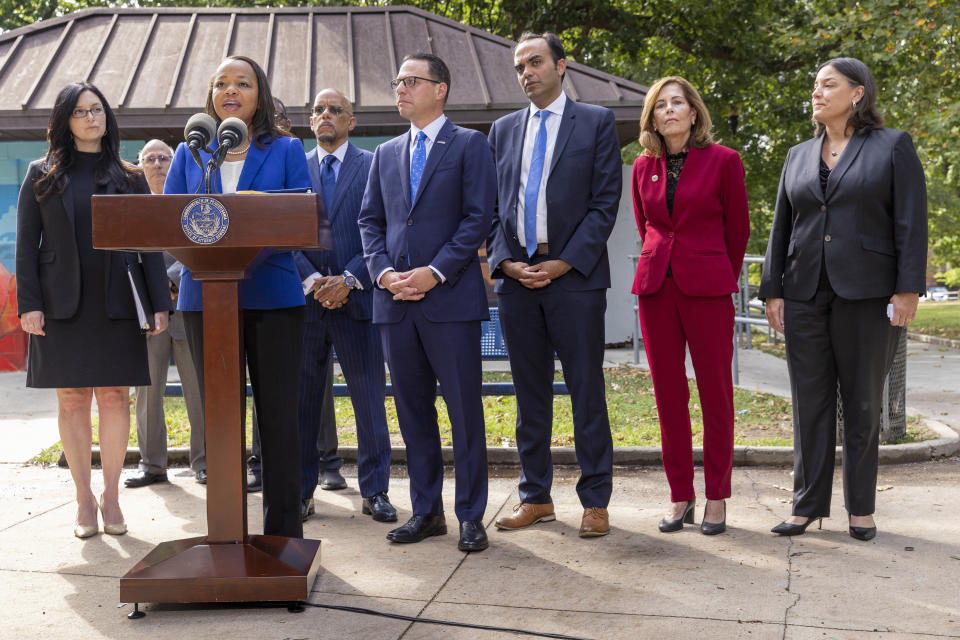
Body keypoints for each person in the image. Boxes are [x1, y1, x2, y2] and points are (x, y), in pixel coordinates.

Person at [760, 57, 927, 541]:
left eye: (827, 84)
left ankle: (861, 507)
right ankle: (806, 505)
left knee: (861, 402)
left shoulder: (892, 146)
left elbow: (911, 222)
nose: (816, 92)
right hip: (805, 292)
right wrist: (773, 289)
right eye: (814, 85)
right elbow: (781, 228)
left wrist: (908, 288)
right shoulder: (796, 155)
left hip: (869, 293)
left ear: (857, 93)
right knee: (808, 401)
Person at [163, 55, 312, 538]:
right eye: (221, 84)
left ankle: (283, 536)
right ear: (210, 96)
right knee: (223, 418)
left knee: (278, 419)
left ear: (258, 95)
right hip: (205, 300)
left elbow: (299, 219)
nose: (231, 91)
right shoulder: (190, 152)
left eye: (242, 83)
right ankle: (226, 536)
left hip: (273, 297)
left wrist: (242, 253)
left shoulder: (287, 149)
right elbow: (167, 221)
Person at [16, 82, 170, 538]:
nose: (91, 118)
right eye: (81, 111)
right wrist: (30, 305)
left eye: (97, 109)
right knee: (73, 398)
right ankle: (83, 498)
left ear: (107, 117)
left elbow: (149, 245)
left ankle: (112, 496)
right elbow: (27, 247)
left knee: (114, 397)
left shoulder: (130, 176)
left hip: (117, 301)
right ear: (65, 120)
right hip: (61, 304)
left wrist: (159, 303)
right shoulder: (40, 174)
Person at [358, 53, 496, 552]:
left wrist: (435, 272)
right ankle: (427, 512)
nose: (400, 88)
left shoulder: (470, 145)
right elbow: (369, 222)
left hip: (450, 300)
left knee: (464, 413)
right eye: (397, 81)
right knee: (413, 412)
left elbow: (478, 218)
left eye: (410, 81)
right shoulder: (386, 153)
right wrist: (384, 273)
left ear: (440, 89)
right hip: (395, 303)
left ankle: (471, 515)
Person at [487, 33, 621, 538]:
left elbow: (605, 202)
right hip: (518, 282)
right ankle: (535, 496)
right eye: (520, 66)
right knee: (529, 393)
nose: (527, 72)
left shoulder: (595, 122)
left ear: (561, 66)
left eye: (535, 62)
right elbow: (493, 208)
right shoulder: (501, 130)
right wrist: (505, 263)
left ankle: (595, 500)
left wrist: (564, 263)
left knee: (587, 390)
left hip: (575, 281)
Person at [631, 76, 750, 535]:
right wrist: (668, 263)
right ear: (653, 118)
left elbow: (736, 232)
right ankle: (680, 494)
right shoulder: (644, 167)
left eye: (678, 103)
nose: (670, 110)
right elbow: (647, 228)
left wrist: (713, 269)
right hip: (657, 289)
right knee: (668, 396)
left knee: (715, 393)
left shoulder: (724, 161)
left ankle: (717, 496)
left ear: (694, 112)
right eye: (661, 105)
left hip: (708, 289)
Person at [293, 88, 394, 523]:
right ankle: (300, 493)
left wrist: (349, 279)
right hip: (306, 304)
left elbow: (383, 229)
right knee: (302, 407)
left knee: (369, 401)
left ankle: (376, 491)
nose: (326, 115)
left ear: (351, 121)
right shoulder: (292, 167)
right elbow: (282, 232)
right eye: (319, 110)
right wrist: (315, 281)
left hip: (360, 301)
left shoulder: (373, 165)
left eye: (336, 110)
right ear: (310, 120)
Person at [245, 97, 338, 501]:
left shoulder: (288, 155)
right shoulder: (207, 153)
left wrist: (340, 280)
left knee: (305, 397)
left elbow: (302, 220)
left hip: (302, 290)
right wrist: (312, 277)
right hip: (276, 285)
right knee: (266, 395)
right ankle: (261, 467)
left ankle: (325, 467)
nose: (280, 125)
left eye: (285, 119)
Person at [125, 139, 207, 488]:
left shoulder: (188, 203)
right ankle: (152, 464)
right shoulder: (135, 208)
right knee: (146, 392)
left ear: (175, 164)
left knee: (199, 392)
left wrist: (171, 282)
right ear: (139, 164)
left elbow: (201, 244)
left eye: (164, 157)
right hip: (147, 315)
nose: (157, 163)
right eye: (150, 158)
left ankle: (204, 463)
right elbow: (127, 256)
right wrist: (156, 290)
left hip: (187, 310)